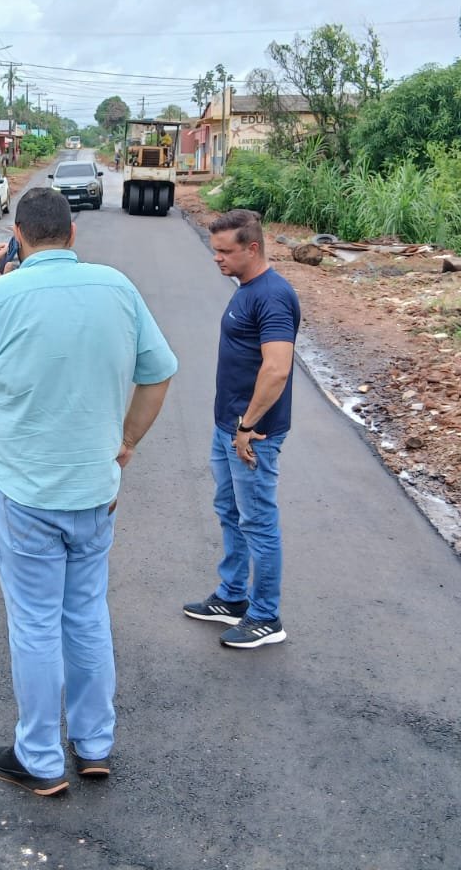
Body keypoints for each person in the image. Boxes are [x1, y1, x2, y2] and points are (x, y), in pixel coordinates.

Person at [0, 188, 177, 795]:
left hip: (24, 491)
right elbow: (159, 372)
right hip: (95, 487)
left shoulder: (2, 295)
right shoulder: (117, 289)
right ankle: (94, 744)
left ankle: (42, 759)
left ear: (17, 237)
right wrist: (125, 445)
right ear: (73, 235)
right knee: (87, 615)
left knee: (35, 624)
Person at [183, 209, 300, 649]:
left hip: (254, 435)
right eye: (215, 250)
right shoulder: (248, 288)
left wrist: (247, 427)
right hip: (230, 427)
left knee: (258, 522)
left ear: (252, 248)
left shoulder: (271, 296)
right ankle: (233, 597)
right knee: (230, 512)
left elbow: (277, 369)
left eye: (224, 251)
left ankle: (266, 616)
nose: (216, 258)